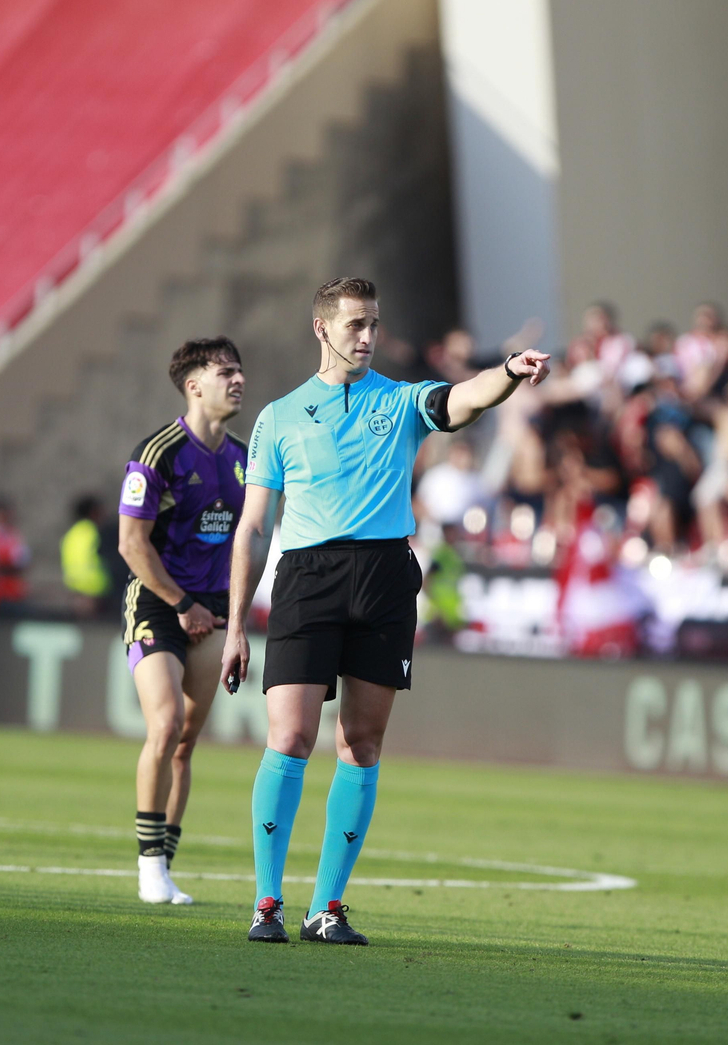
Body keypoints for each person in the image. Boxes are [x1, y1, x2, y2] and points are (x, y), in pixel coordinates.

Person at [222, 277, 549, 945]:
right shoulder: (278, 417)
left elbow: (461, 400)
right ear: (321, 328)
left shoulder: (400, 401)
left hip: (382, 577)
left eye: (372, 324)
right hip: (307, 577)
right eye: (353, 326)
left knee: (362, 743)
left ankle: (328, 908)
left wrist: (509, 374)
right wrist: (233, 625)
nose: (366, 337)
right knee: (289, 738)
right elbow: (252, 527)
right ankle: (266, 903)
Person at [117, 337, 247, 906]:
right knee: (165, 723)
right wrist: (180, 604)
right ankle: (149, 870)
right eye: (225, 372)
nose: (238, 380)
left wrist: (232, 614)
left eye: (240, 371)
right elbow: (130, 543)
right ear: (194, 385)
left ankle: (165, 867)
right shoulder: (159, 452)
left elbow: (247, 540)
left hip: (212, 610)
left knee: (186, 744)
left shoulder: (244, 457)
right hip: (157, 604)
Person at [61, 495, 111, 618]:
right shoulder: (95, 532)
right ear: (94, 512)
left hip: (75, 591)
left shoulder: (71, 534)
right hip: (94, 591)